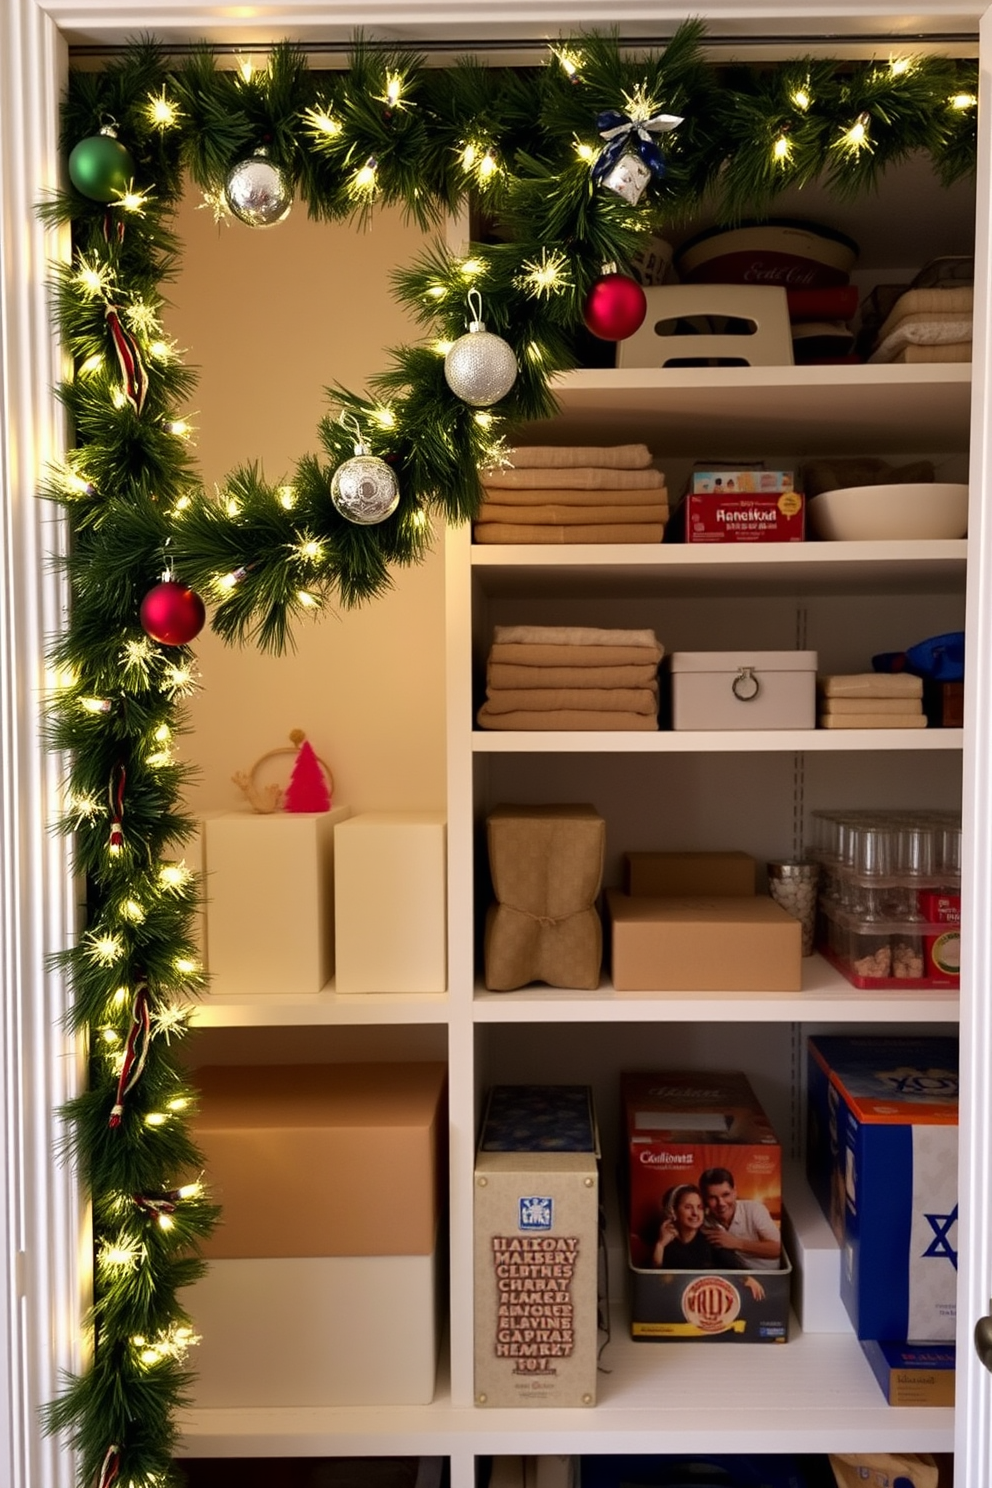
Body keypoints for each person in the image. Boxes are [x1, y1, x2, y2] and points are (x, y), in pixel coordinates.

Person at [652, 1183, 765, 1299]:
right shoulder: (665, 1242)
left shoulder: (712, 1240)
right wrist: (660, 1245)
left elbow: (735, 1268)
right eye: (688, 1207)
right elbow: (657, 1282)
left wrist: (747, 1279)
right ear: (672, 1211)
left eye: (699, 1207)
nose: (695, 1213)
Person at [699, 1166, 782, 1271]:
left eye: (726, 1195)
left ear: (734, 1192)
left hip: (769, 1274)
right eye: (712, 1198)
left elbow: (778, 1249)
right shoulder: (703, 1220)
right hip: (737, 1275)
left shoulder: (753, 1209)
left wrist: (736, 1243)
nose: (721, 1203)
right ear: (705, 1199)